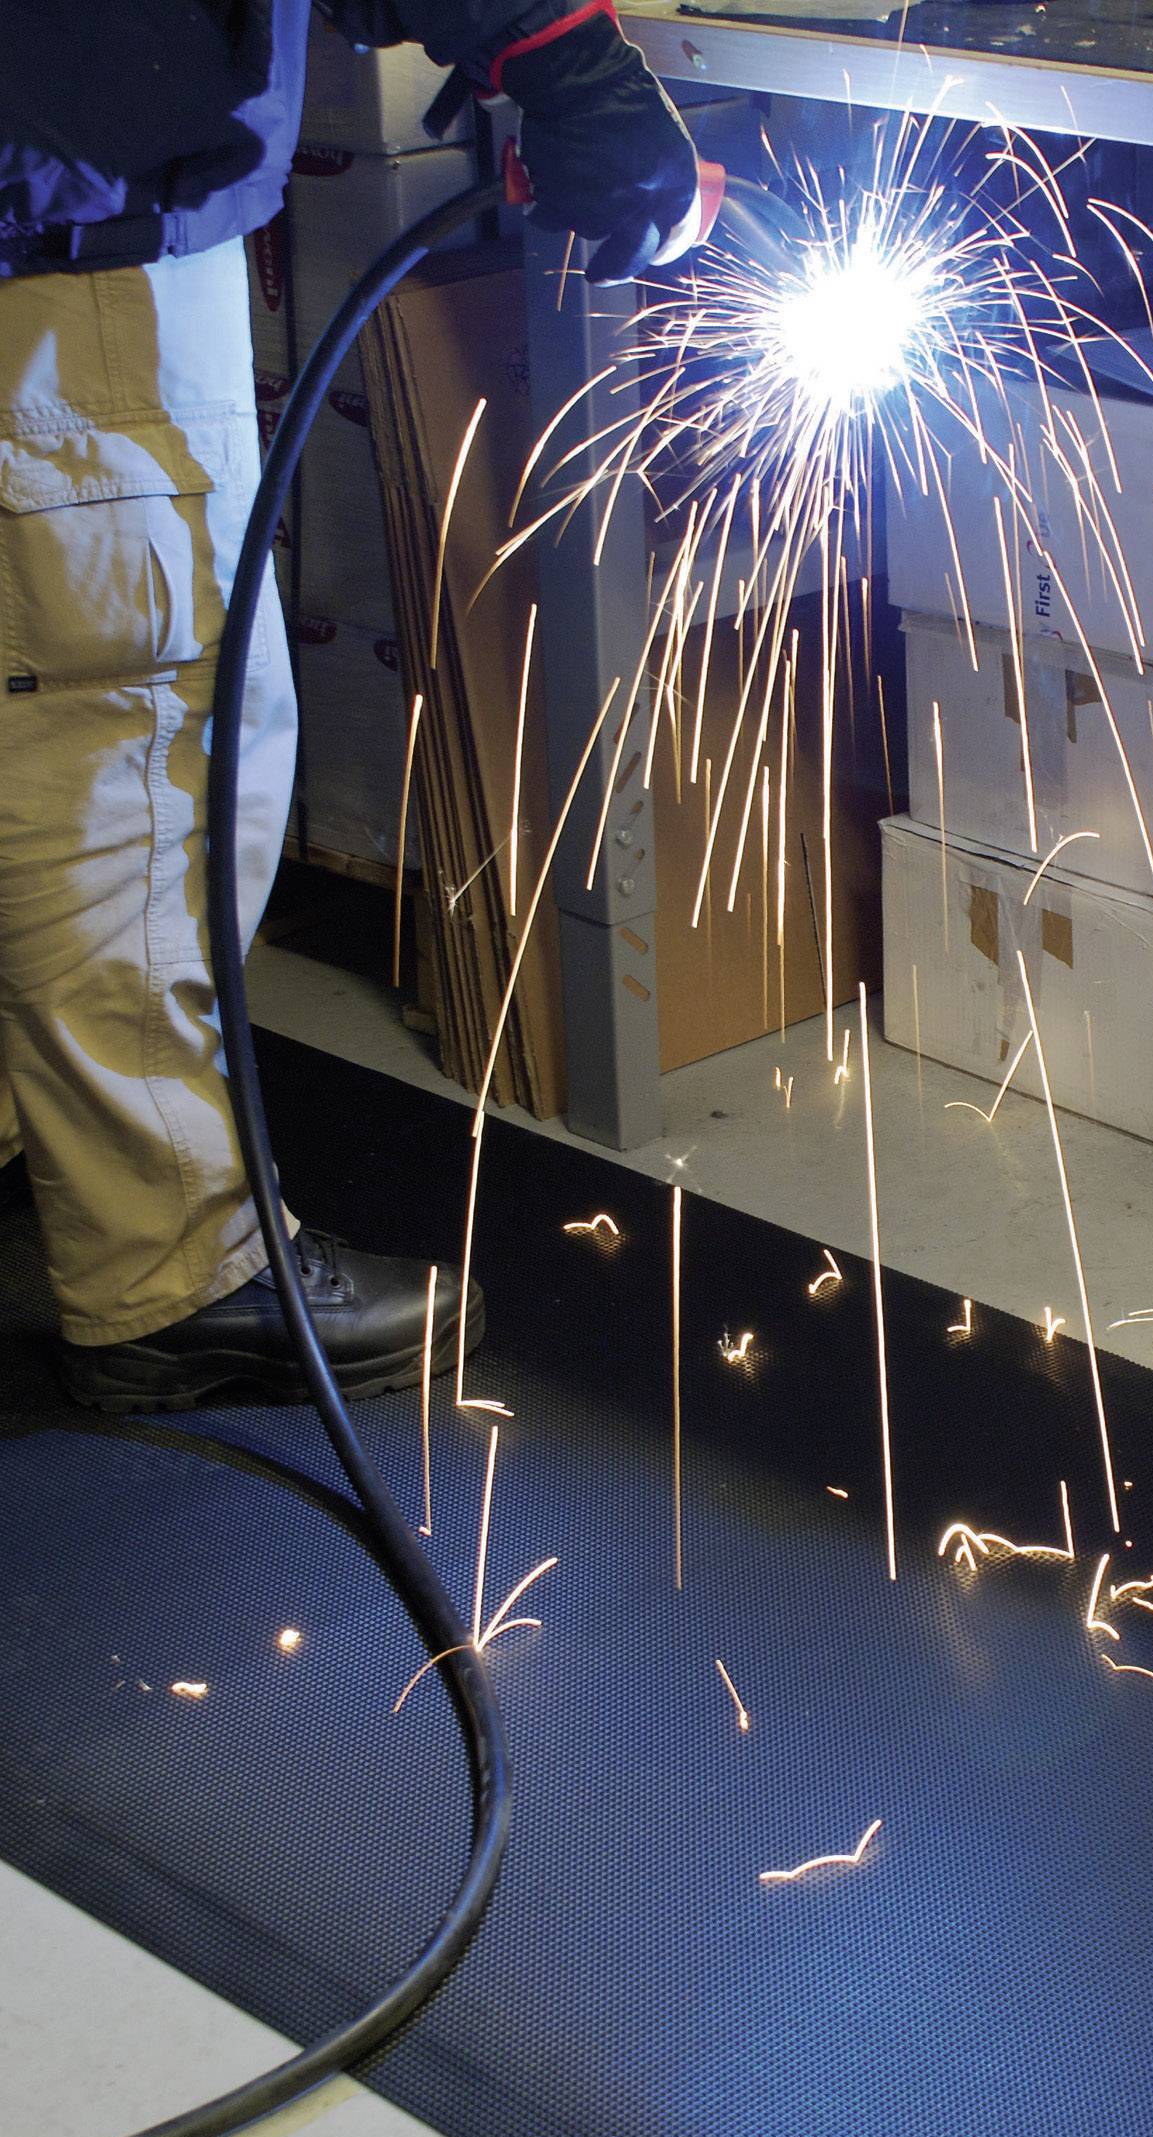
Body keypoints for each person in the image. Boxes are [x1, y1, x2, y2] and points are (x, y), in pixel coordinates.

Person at [0, 1, 700, 1409]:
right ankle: (168, 1277)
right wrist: (558, 50)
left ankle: (50, 1145)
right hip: (58, 259)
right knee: (136, 763)